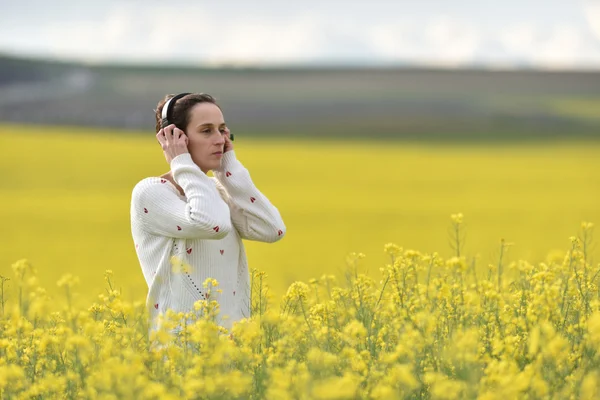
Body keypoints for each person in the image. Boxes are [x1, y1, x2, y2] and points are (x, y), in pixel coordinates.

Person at [130, 93, 286, 339]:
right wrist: (181, 162)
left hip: (232, 347)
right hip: (180, 349)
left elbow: (273, 229)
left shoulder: (215, 192)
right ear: (174, 137)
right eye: (206, 131)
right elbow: (212, 224)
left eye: (223, 130)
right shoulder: (152, 192)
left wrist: (228, 168)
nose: (220, 140)